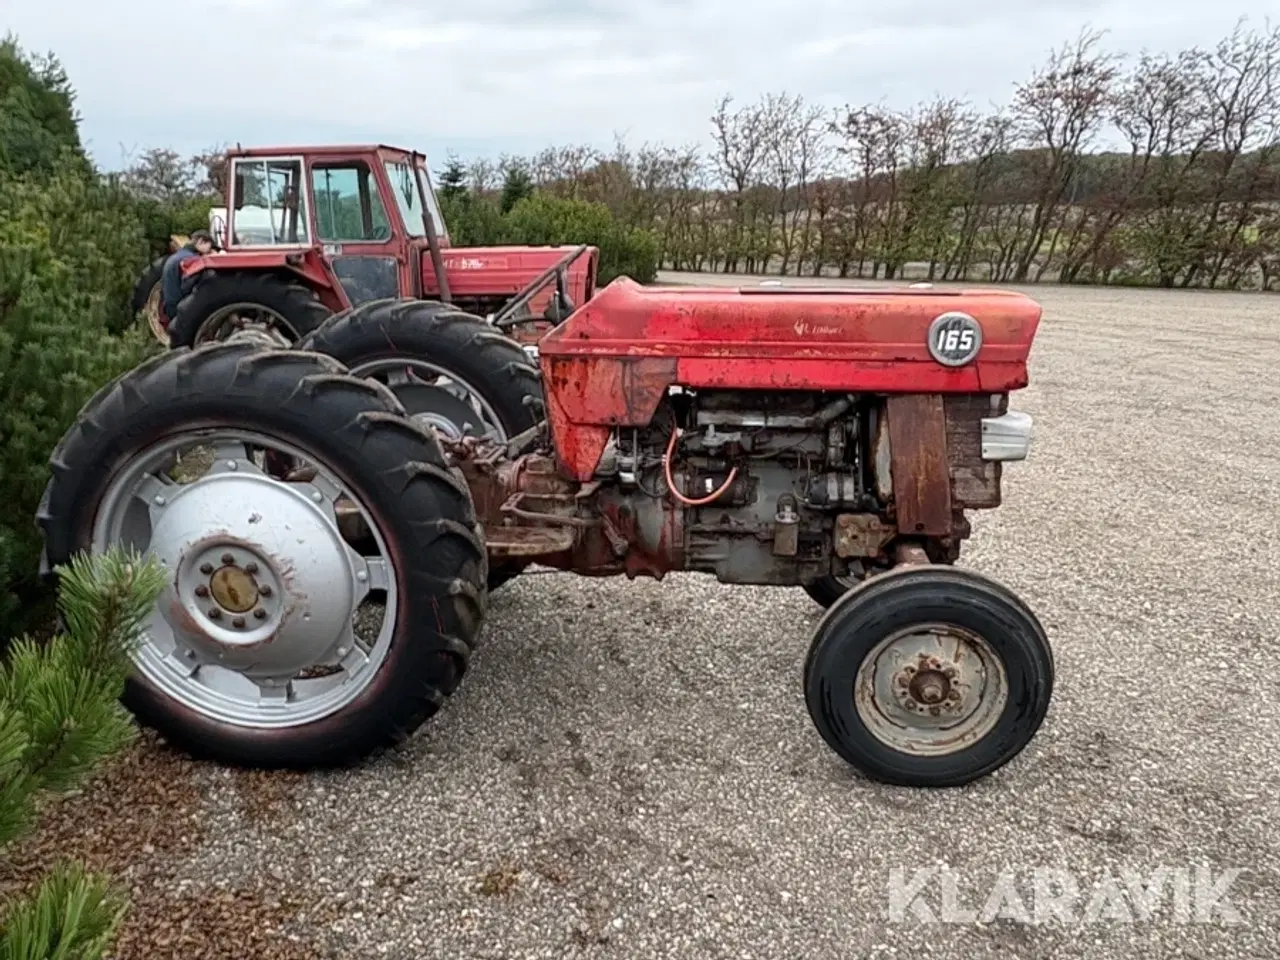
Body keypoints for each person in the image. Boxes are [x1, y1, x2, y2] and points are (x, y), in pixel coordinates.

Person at [161, 230, 215, 318]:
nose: (210, 250)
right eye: (210, 246)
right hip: (179, 310)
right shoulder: (191, 259)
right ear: (201, 241)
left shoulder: (176, 256)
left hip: (170, 307)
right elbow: (187, 287)